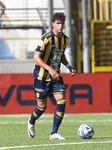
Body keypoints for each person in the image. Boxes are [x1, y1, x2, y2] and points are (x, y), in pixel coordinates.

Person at [28, 12, 76, 140]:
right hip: (41, 77)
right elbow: (35, 57)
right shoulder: (46, 38)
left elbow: (61, 55)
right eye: (58, 23)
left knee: (62, 101)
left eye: (62, 23)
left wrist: (69, 66)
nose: (61, 26)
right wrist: (49, 68)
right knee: (42, 107)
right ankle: (31, 121)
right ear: (53, 24)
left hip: (56, 77)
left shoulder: (65, 39)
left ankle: (54, 133)